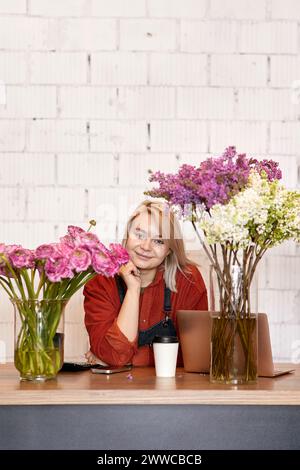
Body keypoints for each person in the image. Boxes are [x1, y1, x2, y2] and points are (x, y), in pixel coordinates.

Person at [83, 200, 208, 367]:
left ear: (169, 249)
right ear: (127, 235)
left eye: (158, 241)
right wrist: (133, 289)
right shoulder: (100, 282)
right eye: (139, 235)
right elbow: (114, 355)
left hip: (173, 391)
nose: (146, 247)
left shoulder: (188, 280)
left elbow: (197, 357)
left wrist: (133, 359)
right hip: (114, 391)